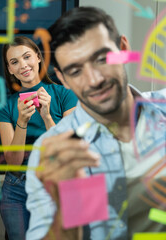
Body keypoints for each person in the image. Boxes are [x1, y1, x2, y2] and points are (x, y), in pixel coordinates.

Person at [25, 6, 166, 240]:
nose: (94, 80)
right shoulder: (52, 151)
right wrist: (63, 210)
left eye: (102, 59)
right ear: (63, 79)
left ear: (123, 49)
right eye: (75, 70)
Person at [0, 36, 78, 239]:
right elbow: (13, 162)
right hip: (16, 189)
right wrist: (21, 122)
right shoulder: (6, 106)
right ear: (10, 69)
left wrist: (47, 116)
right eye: (14, 62)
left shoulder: (65, 95)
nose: (22, 65)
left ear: (38, 58)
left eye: (26, 57)